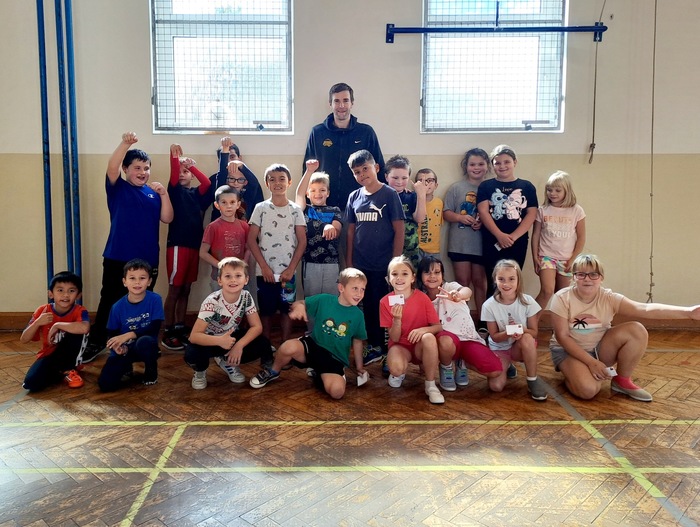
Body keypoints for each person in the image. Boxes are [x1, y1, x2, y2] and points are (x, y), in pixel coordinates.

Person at [548, 254, 700, 402]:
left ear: (601, 278)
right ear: (574, 277)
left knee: (636, 330)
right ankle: (573, 374)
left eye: (593, 274)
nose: (587, 279)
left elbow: (645, 309)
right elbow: (563, 337)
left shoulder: (609, 298)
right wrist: (591, 363)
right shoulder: (562, 298)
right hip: (568, 351)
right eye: (581, 274)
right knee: (588, 390)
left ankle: (622, 381)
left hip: (599, 348)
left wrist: (688, 312)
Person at [82, 132, 173, 363]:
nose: (142, 172)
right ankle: (97, 341)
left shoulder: (153, 194)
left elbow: (167, 218)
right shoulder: (118, 188)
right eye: (137, 168)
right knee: (110, 300)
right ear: (125, 169)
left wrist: (164, 194)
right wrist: (125, 143)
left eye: (146, 168)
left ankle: (142, 342)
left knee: (143, 303)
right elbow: (111, 167)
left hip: (147, 259)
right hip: (118, 256)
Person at [249, 267, 368, 399]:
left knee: (337, 393)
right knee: (287, 347)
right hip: (313, 347)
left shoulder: (358, 315)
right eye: (355, 288)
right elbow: (299, 303)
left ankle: (320, 373)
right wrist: (300, 307)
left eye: (362, 289)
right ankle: (273, 371)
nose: (359, 293)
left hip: (335, 359)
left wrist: (359, 367)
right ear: (341, 288)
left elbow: (358, 340)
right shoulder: (325, 300)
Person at [345, 150, 405, 366]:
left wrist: (395, 265)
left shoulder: (390, 195)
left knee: (383, 306)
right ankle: (373, 345)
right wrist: (349, 262)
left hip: (383, 265)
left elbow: (399, 230)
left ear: (376, 168)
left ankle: (387, 349)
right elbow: (350, 232)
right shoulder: (354, 197)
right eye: (357, 172)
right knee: (366, 306)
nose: (362, 174)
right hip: (361, 264)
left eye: (365, 169)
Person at [185, 257, 273, 390]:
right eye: (228, 276)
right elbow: (194, 336)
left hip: (230, 339)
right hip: (209, 340)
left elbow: (257, 327)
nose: (233, 280)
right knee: (192, 353)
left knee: (263, 343)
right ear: (220, 280)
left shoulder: (246, 296)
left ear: (246, 279)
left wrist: (239, 346)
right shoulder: (212, 301)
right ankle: (200, 370)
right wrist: (220, 341)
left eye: (238, 276)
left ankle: (226, 361)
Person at [417, 256, 503, 392]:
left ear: (442, 275)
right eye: (427, 272)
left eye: (437, 272)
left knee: (495, 371)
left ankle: (462, 362)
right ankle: (446, 367)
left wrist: (458, 295)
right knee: (445, 340)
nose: (432, 276)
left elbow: (467, 291)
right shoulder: (421, 298)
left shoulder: (450, 287)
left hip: (468, 339)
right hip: (446, 343)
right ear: (420, 275)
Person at [248, 164, 307, 347]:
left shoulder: (295, 210)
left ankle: (285, 346)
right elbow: (251, 240)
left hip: (287, 274)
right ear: (267, 184)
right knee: (266, 312)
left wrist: (291, 269)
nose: (277, 183)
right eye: (272, 179)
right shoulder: (260, 208)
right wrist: (264, 267)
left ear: (289, 182)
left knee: (286, 310)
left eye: (282, 179)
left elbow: (302, 241)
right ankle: (266, 348)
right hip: (264, 273)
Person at [303, 82, 385, 211]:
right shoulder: (317, 133)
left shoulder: (366, 132)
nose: (341, 106)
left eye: (345, 100)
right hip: (324, 206)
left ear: (352, 103)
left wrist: (383, 198)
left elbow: (379, 168)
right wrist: (307, 203)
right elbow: (307, 170)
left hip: (360, 205)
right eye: (336, 101)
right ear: (330, 103)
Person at [161, 144, 212, 350]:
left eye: (186, 172)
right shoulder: (174, 191)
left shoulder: (196, 194)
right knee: (175, 289)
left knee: (186, 289)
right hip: (177, 246)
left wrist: (192, 167)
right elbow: (174, 175)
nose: (182, 174)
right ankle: (168, 329)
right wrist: (175, 156)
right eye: (180, 171)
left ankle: (180, 326)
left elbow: (206, 182)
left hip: (193, 246)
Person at [380, 256, 444, 404]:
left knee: (429, 337)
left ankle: (431, 385)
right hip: (401, 346)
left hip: (420, 345)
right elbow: (394, 338)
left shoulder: (422, 298)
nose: (399, 278)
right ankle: (399, 372)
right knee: (396, 369)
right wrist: (397, 320)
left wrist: (423, 330)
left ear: (413, 278)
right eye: (394, 274)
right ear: (388, 279)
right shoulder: (384, 302)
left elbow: (438, 326)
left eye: (404, 273)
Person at [477, 145, 538, 295]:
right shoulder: (485, 186)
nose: (502, 166)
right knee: (493, 282)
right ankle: (491, 311)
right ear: (492, 165)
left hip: (517, 242)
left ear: (515, 162)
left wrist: (513, 237)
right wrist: (499, 235)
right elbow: (483, 211)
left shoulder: (527, 186)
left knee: (513, 281)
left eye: (507, 162)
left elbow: (531, 214)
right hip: (492, 241)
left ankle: (513, 310)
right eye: (497, 163)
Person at [481, 259, 546, 401]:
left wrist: (522, 330)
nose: (506, 284)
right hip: (500, 348)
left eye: (511, 279)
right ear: (495, 280)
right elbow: (494, 337)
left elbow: (534, 332)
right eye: (501, 279)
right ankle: (507, 365)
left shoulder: (528, 301)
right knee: (496, 386)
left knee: (527, 338)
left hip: (520, 346)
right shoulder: (489, 305)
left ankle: (532, 379)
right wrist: (508, 333)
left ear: (518, 280)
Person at [98, 259, 163, 392]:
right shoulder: (117, 307)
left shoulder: (155, 299)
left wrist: (129, 334)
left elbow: (155, 327)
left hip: (144, 345)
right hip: (125, 349)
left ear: (149, 281)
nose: (137, 282)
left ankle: (151, 369)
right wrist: (117, 347)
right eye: (132, 278)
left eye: (142, 278)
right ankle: (126, 367)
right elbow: (112, 333)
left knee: (146, 341)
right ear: (124, 282)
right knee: (105, 385)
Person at [21, 271, 90, 391]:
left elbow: (85, 328)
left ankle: (70, 369)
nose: (66, 295)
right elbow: (24, 339)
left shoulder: (80, 310)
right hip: (49, 353)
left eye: (71, 291)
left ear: (79, 295)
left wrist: (57, 325)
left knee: (77, 330)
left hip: (70, 354)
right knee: (31, 383)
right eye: (60, 290)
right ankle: (60, 372)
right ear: (50, 294)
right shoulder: (43, 310)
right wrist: (37, 322)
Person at [443, 148, 491, 322]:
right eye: (472, 164)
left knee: (480, 283)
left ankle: (483, 321)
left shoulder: (490, 188)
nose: (476, 168)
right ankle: (463, 320)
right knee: (462, 283)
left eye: (480, 164)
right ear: (466, 166)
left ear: (487, 166)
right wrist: (460, 218)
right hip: (459, 244)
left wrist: (483, 222)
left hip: (481, 245)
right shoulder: (456, 188)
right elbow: (446, 213)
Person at [531, 171, 586, 310]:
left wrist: (573, 259)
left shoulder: (577, 211)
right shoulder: (543, 210)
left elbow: (581, 237)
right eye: (549, 190)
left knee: (561, 295)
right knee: (547, 291)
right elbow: (536, 235)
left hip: (567, 259)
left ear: (566, 190)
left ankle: (560, 323)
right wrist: (535, 257)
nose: (552, 193)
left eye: (557, 190)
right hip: (546, 257)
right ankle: (531, 321)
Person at [295, 159, 342, 299]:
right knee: (312, 299)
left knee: (331, 299)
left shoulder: (334, 210)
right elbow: (299, 194)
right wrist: (309, 171)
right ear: (308, 194)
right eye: (313, 190)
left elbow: (337, 229)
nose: (318, 193)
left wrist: (331, 227)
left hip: (331, 263)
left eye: (322, 190)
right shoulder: (305, 210)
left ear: (328, 193)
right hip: (310, 263)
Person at [200, 186, 250, 291]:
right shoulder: (212, 227)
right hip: (219, 278)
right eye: (224, 202)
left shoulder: (244, 226)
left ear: (238, 204)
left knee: (241, 301)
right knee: (220, 301)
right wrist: (220, 265)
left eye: (232, 202)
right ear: (217, 205)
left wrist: (244, 263)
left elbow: (249, 248)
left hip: (239, 277)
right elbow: (203, 253)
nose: (228, 206)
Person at [203, 136, 263, 222]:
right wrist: (225, 149)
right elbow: (222, 174)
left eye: (232, 157)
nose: (229, 162)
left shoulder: (248, 181)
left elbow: (254, 184)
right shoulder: (218, 182)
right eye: (231, 179)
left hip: (244, 227)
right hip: (220, 227)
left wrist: (241, 165)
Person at [385, 155, 426, 269]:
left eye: (404, 178)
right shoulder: (381, 196)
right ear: (386, 177)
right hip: (387, 249)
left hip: (410, 250)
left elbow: (420, 219)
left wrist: (421, 194)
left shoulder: (411, 196)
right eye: (395, 177)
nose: (399, 182)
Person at [415, 168, 442, 258]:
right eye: (421, 181)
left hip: (433, 249)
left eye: (430, 180)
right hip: (416, 248)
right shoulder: (413, 201)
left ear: (436, 185)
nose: (426, 184)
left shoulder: (439, 203)